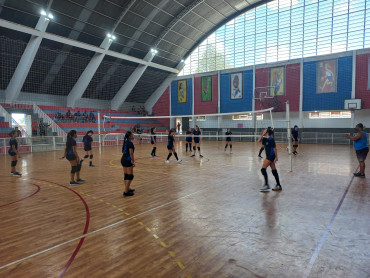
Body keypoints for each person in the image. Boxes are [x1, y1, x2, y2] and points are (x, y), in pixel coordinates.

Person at [121, 131, 135, 196]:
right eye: (132, 135)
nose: (133, 135)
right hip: (127, 160)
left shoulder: (125, 142)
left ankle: (127, 188)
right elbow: (131, 153)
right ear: (129, 136)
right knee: (130, 176)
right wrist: (133, 161)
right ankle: (126, 192)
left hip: (123, 159)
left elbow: (123, 151)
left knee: (126, 175)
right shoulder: (130, 143)